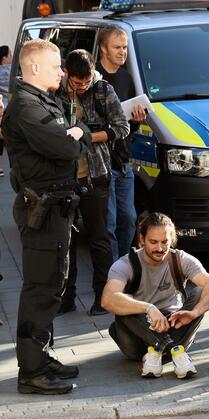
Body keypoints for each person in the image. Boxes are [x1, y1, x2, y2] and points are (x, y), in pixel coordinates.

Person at [1, 39, 91, 394]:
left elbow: (77, 133)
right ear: (35, 68)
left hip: (56, 207)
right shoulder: (26, 105)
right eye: (56, 66)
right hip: (42, 209)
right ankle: (32, 371)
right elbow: (67, 146)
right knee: (40, 289)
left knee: (53, 285)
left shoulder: (43, 100)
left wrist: (76, 134)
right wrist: (76, 136)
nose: (62, 72)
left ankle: (42, 355)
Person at [101, 212, 209, 378]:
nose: (159, 248)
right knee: (122, 302)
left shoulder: (181, 259)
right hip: (139, 335)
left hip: (174, 325)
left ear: (171, 240)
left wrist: (194, 313)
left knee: (201, 291)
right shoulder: (125, 263)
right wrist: (148, 308)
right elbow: (107, 299)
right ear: (142, 239)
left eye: (164, 242)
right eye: (153, 242)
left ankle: (158, 353)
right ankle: (173, 350)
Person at [55, 49, 130, 316]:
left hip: (96, 174)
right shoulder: (56, 90)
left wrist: (86, 135)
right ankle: (67, 297)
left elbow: (122, 127)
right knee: (67, 240)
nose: (82, 87)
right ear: (67, 74)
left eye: (86, 82)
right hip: (65, 176)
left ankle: (103, 296)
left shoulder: (102, 89)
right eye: (77, 83)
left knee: (100, 238)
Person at [96, 26, 146, 261]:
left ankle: (124, 266)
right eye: (117, 47)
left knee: (129, 218)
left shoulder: (126, 78)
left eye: (125, 47)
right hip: (102, 162)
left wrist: (136, 120)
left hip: (124, 161)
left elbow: (128, 127)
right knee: (109, 222)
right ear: (103, 49)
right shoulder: (94, 78)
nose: (122, 52)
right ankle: (112, 273)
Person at [0, 45, 13, 177]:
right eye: (10, 54)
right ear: (4, 58)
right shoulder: (11, 72)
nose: (12, 57)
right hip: (8, 110)